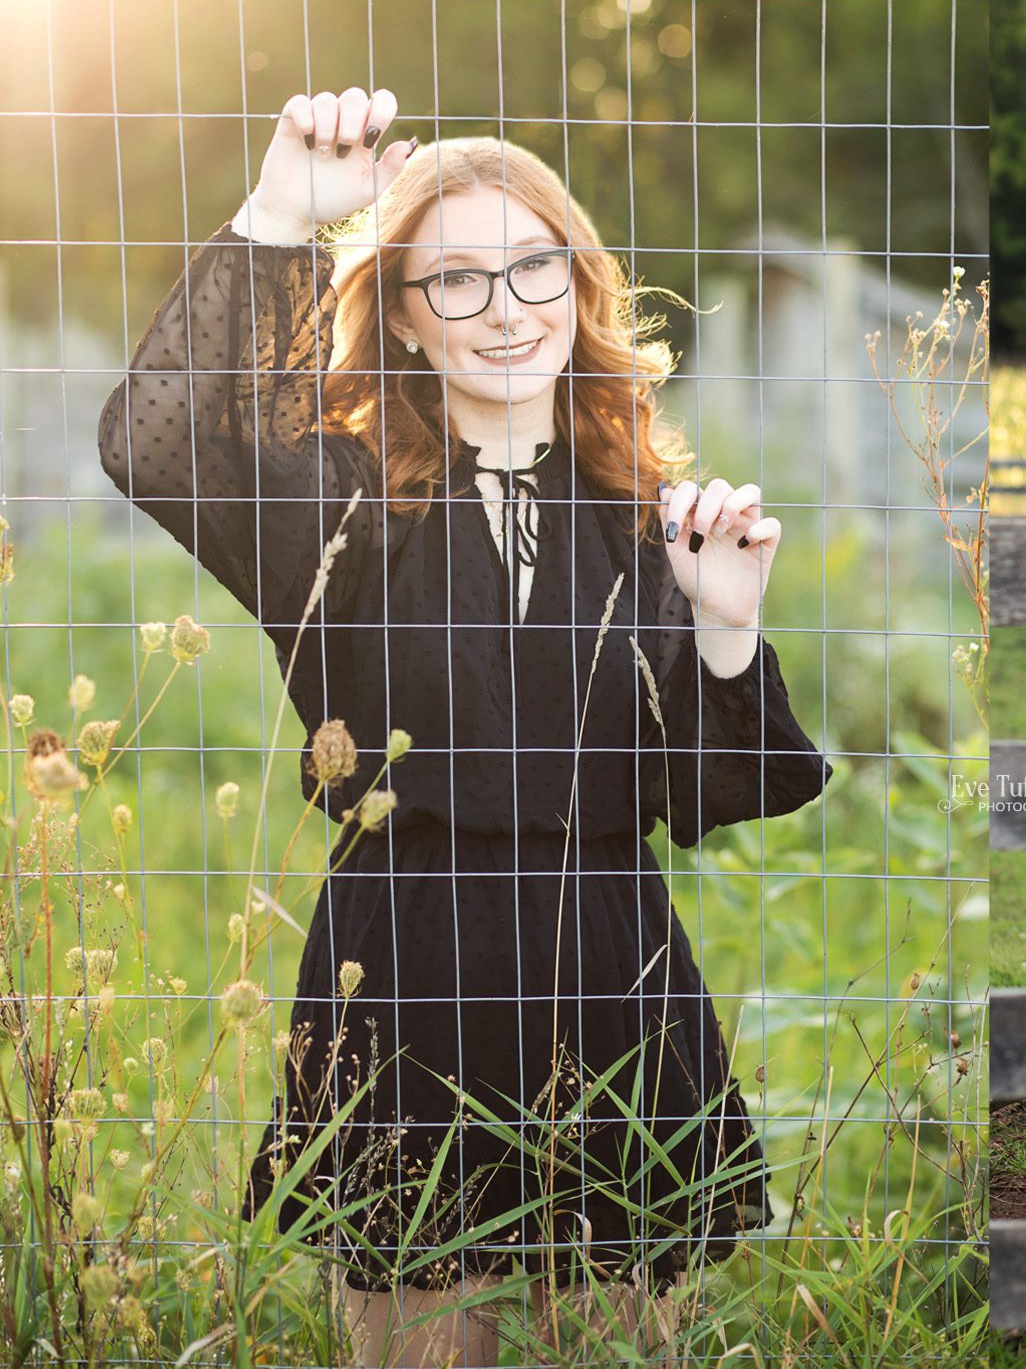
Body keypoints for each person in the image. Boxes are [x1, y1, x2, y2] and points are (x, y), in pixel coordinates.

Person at [97, 86, 833, 1364]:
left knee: (609, 1343)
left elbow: (723, 791)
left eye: (533, 266)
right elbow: (158, 447)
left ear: (579, 283)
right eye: (456, 282)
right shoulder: (333, 506)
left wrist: (725, 625)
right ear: (400, 317)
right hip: (404, 968)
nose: (505, 309)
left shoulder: (648, 510)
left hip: (612, 968)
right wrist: (281, 213)